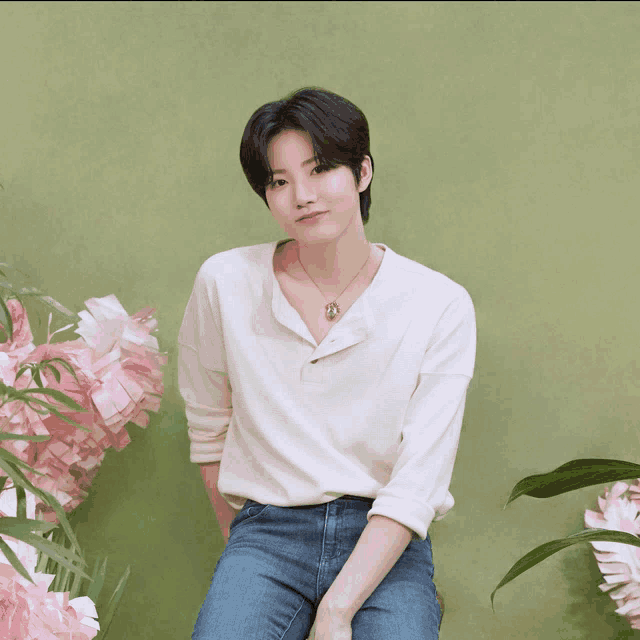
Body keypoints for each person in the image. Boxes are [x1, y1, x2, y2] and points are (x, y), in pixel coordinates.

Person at [178, 87, 476, 640]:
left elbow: (418, 480)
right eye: (280, 180)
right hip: (266, 535)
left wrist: (337, 611)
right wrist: (239, 553)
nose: (303, 196)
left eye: (320, 170)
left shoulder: (439, 304)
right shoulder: (225, 282)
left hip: (386, 542)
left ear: (362, 172)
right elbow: (208, 427)